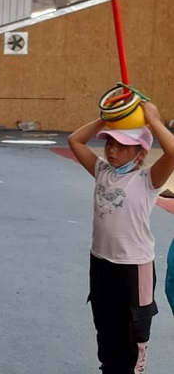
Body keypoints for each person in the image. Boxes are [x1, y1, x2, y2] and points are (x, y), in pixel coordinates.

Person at [67, 101, 174, 374]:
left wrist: (153, 121)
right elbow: (75, 140)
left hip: (134, 267)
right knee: (105, 326)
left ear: (140, 152)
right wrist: (106, 119)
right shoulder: (102, 171)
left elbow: (173, 153)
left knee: (133, 332)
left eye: (122, 145)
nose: (112, 150)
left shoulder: (147, 180)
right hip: (101, 262)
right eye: (109, 143)